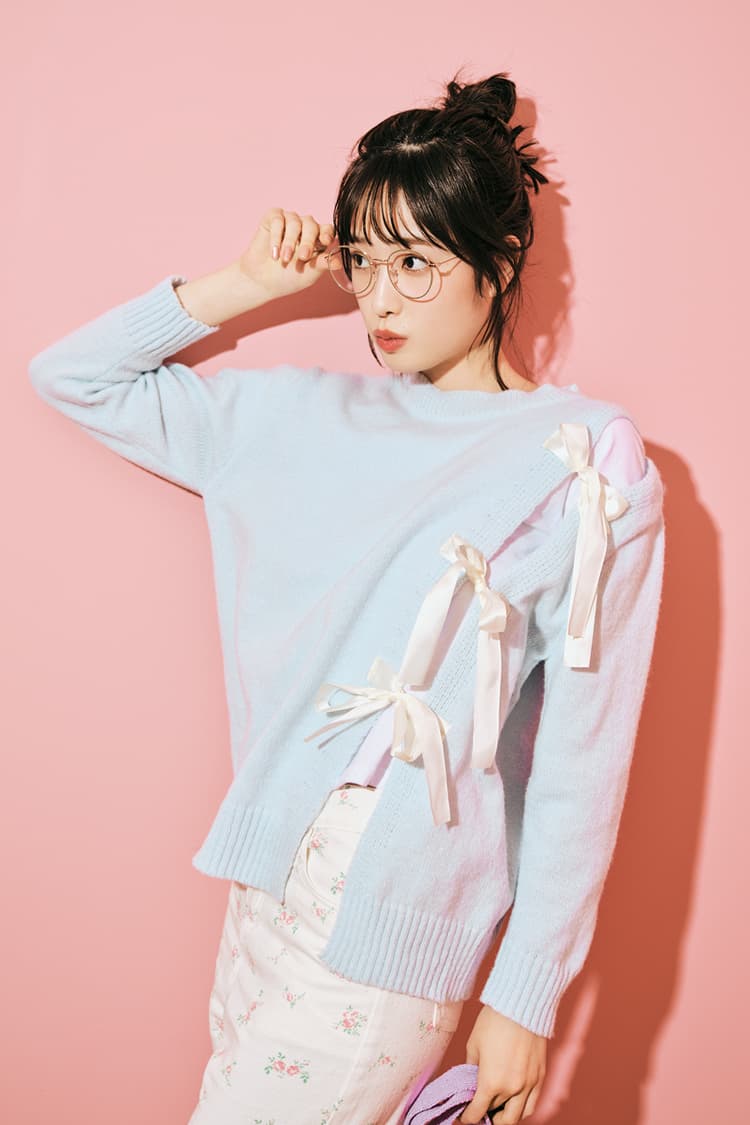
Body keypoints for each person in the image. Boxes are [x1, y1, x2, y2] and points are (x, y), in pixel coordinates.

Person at [27, 70, 665, 1125]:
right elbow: (73, 376)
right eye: (364, 261)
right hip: (263, 890)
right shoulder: (295, 418)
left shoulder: (584, 459)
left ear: (502, 261)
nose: (378, 299)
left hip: (391, 919)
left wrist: (525, 994)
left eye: (415, 263)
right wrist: (244, 284)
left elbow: (582, 758)